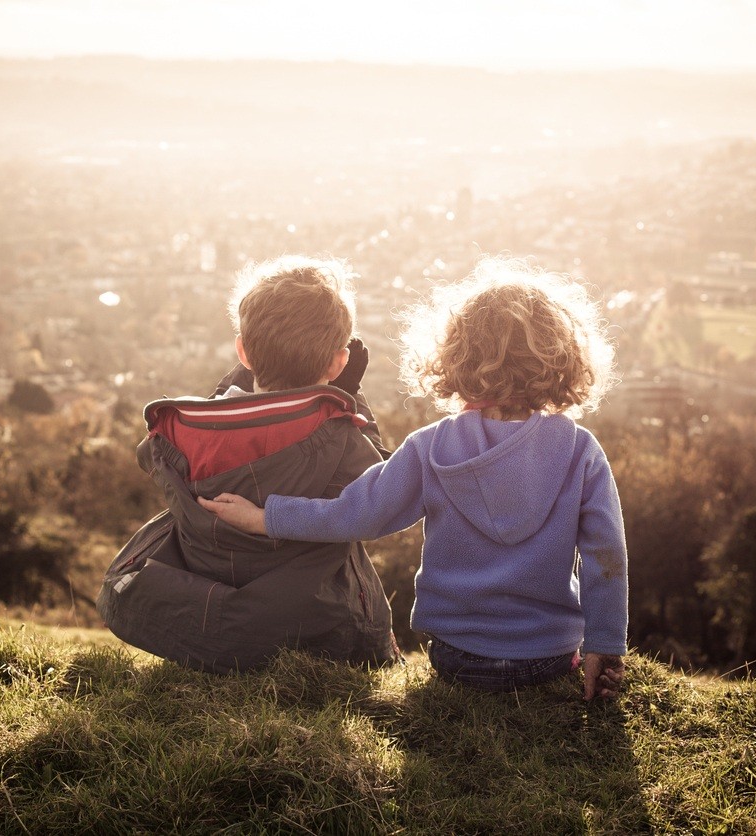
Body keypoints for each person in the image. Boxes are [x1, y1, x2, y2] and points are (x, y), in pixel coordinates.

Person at [199, 256, 627, 699]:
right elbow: (606, 555)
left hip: (457, 657)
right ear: (561, 358)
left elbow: (356, 515)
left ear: (456, 357)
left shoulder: (431, 447)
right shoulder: (581, 453)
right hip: (549, 656)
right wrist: (605, 646)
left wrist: (266, 517)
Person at [97, 255, 402, 673]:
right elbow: (380, 488)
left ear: (242, 352)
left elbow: (147, 456)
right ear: (338, 362)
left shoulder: (183, 431)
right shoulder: (341, 436)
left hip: (207, 610)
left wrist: (229, 389)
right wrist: (349, 396)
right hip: (314, 623)